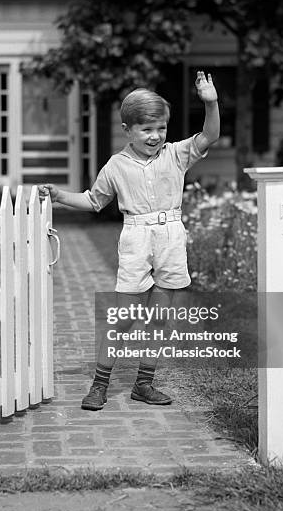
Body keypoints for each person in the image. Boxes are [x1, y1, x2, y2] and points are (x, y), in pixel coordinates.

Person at [39, 71, 219, 410]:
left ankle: (143, 385)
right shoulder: (115, 166)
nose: (154, 136)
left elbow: (210, 135)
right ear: (128, 130)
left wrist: (210, 103)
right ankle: (100, 384)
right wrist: (61, 195)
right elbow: (94, 201)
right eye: (146, 129)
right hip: (136, 238)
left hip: (170, 237)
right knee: (124, 316)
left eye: (160, 128)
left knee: (159, 318)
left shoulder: (176, 154)